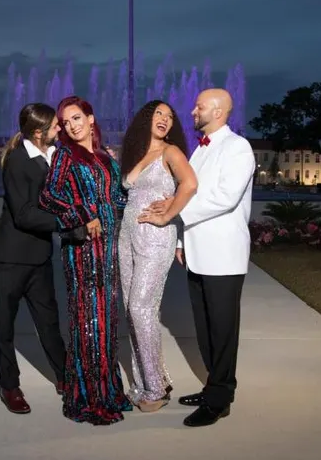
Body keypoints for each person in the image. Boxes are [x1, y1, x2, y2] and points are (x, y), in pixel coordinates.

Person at [139, 88, 255, 428]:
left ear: (217, 111)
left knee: (222, 330)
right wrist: (180, 240)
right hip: (197, 253)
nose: (192, 111)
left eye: (199, 106)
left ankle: (220, 400)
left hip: (223, 255)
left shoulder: (238, 147)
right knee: (204, 329)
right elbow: (186, 192)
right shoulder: (200, 150)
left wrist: (173, 210)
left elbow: (224, 197)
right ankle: (212, 387)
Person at [39, 95, 132, 426]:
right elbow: (49, 196)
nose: (71, 126)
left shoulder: (105, 157)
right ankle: (88, 397)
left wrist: (145, 197)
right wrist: (82, 214)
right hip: (82, 248)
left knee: (106, 319)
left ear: (91, 119)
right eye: (66, 122)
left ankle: (108, 391)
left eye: (76, 118)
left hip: (108, 248)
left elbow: (117, 198)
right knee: (87, 319)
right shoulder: (65, 155)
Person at [118, 100, 197, 412]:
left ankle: (155, 390)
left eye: (170, 116)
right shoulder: (136, 153)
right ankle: (145, 382)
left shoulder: (171, 152)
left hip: (155, 238)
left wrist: (167, 215)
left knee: (141, 308)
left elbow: (190, 184)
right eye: (158, 114)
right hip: (127, 236)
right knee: (131, 310)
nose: (165, 119)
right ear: (146, 119)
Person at [0, 103, 68, 414]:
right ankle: (10, 387)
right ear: (38, 132)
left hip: (39, 256)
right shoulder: (18, 161)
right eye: (55, 126)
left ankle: (65, 377)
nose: (60, 129)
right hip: (11, 258)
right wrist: (66, 222)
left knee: (49, 322)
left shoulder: (53, 155)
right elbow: (23, 214)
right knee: (4, 326)